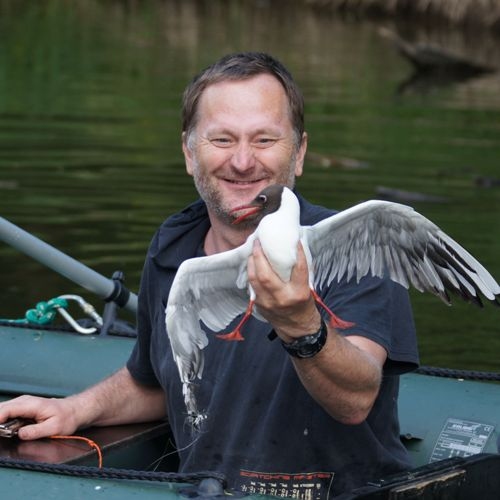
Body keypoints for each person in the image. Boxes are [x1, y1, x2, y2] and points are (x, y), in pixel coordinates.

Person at [0, 52, 419, 498]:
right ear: (188, 153)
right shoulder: (174, 245)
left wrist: (301, 325)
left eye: (264, 140)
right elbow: (164, 381)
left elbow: (355, 400)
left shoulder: (357, 247)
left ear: (298, 154)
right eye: (221, 139)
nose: (242, 161)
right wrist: (73, 411)